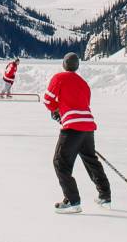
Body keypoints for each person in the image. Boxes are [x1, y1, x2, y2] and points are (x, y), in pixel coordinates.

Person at [42, 52, 110, 212]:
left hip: (72, 127)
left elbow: (47, 100)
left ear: (64, 64)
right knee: (91, 160)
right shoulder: (83, 83)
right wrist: (64, 113)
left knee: (60, 162)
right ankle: (105, 195)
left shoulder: (59, 78)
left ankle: (73, 201)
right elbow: (83, 103)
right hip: (88, 126)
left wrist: (57, 111)